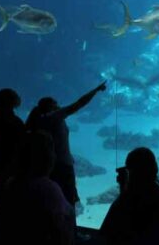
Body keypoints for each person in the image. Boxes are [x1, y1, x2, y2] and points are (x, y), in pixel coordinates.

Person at [0, 130, 74, 245]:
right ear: (44, 157)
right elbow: (61, 234)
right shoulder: (47, 189)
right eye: (51, 151)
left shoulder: (10, 184)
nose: (54, 156)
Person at [26, 82, 106, 221]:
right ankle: (71, 231)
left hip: (52, 165)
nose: (59, 105)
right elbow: (79, 103)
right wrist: (96, 90)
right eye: (56, 103)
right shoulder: (54, 117)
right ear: (50, 107)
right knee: (68, 198)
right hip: (62, 166)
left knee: (56, 199)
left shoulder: (41, 120)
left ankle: (57, 229)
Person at [0, 88, 26, 203]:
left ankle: (1, 214)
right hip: (13, 161)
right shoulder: (13, 121)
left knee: (2, 188)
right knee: (12, 192)